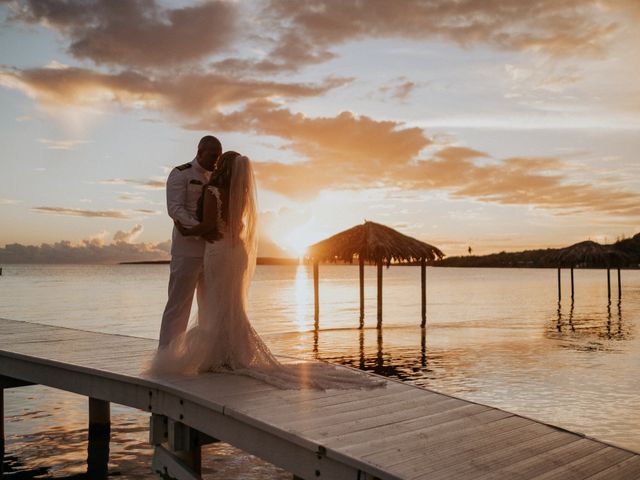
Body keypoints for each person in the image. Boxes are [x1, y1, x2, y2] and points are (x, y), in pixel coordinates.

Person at [149, 151, 383, 390]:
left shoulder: (214, 191)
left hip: (218, 250)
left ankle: (218, 356)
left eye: (220, 160)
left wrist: (188, 231)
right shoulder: (240, 193)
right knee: (229, 304)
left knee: (217, 304)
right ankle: (228, 353)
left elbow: (209, 225)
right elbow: (232, 223)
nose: (216, 163)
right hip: (235, 250)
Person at [157, 135, 222, 348]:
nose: (215, 160)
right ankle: (167, 356)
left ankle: (205, 355)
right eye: (212, 155)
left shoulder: (217, 177)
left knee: (209, 307)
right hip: (187, 251)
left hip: (213, 252)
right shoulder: (180, 173)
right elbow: (175, 209)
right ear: (200, 151)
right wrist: (200, 230)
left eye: (218, 156)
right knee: (178, 306)